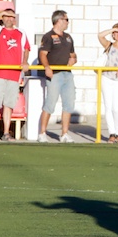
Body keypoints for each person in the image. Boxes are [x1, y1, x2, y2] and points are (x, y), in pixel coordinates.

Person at [0, 9, 30, 142]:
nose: (9, 19)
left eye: (12, 17)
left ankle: (6, 133)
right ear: (3, 18)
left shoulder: (21, 32)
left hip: (14, 74)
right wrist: (3, 12)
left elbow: (26, 48)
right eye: (7, 17)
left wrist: (25, 61)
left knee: (9, 104)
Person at [38, 10, 77, 143]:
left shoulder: (68, 37)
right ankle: (42, 132)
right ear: (59, 20)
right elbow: (43, 54)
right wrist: (47, 67)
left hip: (67, 73)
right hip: (55, 74)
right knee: (50, 103)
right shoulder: (49, 36)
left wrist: (73, 59)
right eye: (66, 19)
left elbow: (73, 54)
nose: (68, 22)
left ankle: (64, 133)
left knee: (69, 104)